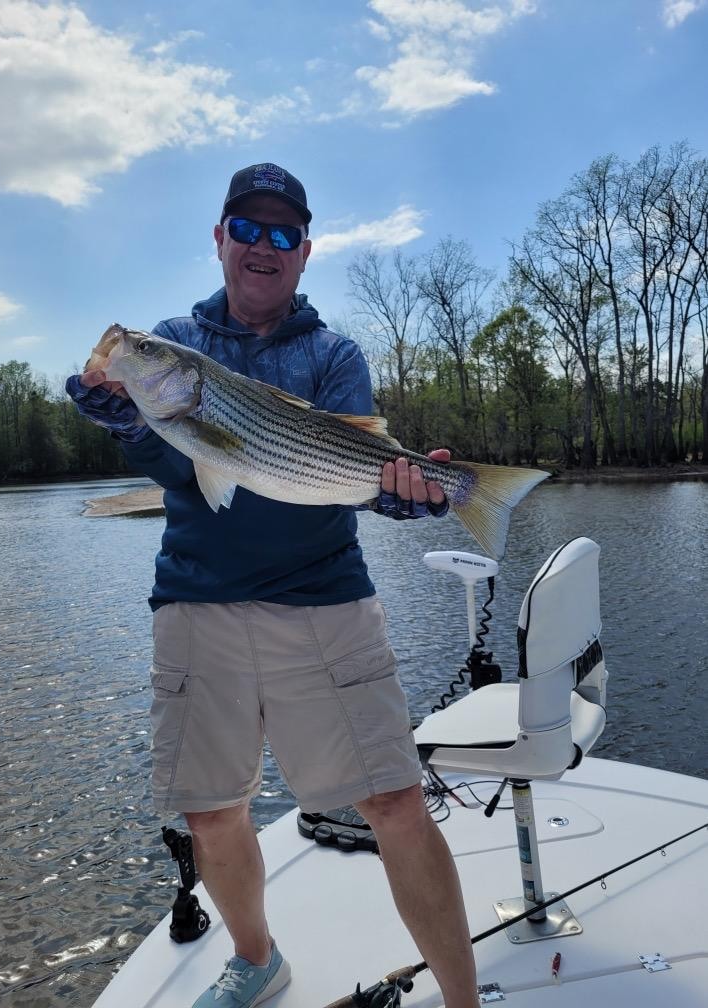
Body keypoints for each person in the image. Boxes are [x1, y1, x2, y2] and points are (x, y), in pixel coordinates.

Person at [66, 162, 479, 1008]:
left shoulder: (334, 354)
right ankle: (257, 960)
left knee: (396, 801)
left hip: (324, 601)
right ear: (219, 240)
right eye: (246, 228)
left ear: (304, 252)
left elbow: (344, 471)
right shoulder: (180, 341)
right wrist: (132, 421)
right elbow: (186, 475)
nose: (263, 244)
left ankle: (464, 999)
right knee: (212, 811)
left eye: (283, 233)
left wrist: (398, 494)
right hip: (196, 602)